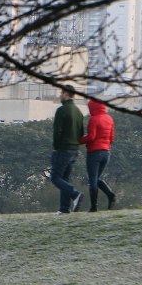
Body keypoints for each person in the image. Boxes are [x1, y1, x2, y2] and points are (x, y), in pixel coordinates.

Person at [49, 85, 85, 214]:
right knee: (65, 179)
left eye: (61, 93)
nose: (60, 96)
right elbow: (81, 133)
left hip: (63, 148)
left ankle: (75, 194)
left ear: (66, 94)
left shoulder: (62, 110)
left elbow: (57, 131)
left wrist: (56, 147)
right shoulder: (79, 112)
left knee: (55, 177)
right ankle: (64, 209)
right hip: (74, 149)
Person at [80, 98, 117, 211]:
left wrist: (80, 140)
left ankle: (94, 207)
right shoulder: (110, 119)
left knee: (92, 180)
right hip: (106, 153)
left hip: (94, 152)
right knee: (96, 178)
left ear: (93, 107)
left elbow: (91, 137)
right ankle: (110, 195)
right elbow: (112, 138)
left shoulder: (94, 119)